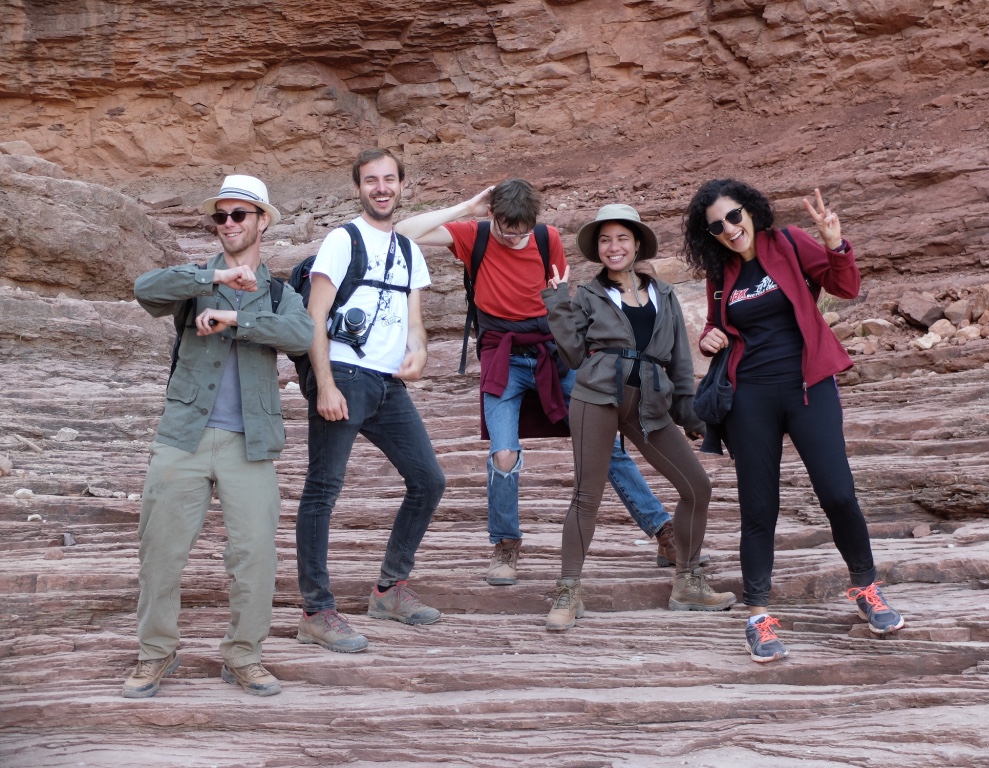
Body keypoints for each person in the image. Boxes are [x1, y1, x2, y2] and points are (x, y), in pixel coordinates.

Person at [395, 181, 682, 586]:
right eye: (505, 231)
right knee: (503, 454)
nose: (513, 240)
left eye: (521, 232)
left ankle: (664, 532)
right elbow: (403, 231)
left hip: (553, 355)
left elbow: (560, 304)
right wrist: (467, 207)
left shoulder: (548, 239)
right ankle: (505, 544)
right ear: (492, 216)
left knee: (603, 442)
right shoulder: (475, 235)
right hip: (503, 357)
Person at [682, 178, 905, 663]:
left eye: (734, 216)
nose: (729, 229)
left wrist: (835, 244)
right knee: (759, 509)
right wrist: (708, 339)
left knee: (838, 493)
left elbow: (846, 287)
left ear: (750, 211)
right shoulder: (721, 272)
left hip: (808, 387)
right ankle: (758, 618)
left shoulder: (787, 242)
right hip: (750, 398)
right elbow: (715, 326)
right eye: (717, 226)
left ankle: (866, 588)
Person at [126, 175, 314, 698]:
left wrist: (236, 319)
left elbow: (301, 336)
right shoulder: (195, 280)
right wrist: (212, 279)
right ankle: (156, 653)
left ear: (262, 221)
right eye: (221, 216)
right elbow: (145, 290)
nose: (228, 223)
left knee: (254, 557)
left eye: (239, 214)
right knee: (160, 553)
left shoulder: (279, 292)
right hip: (182, 436)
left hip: (250, 443)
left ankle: (243, 656)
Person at [540, 204, 736, 631]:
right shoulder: (588, 294)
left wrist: (691, 416)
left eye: (622, 238)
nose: (613, 247)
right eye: (605, 240)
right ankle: (568, 591)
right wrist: (556, 302)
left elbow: (679, 361)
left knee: (697, 487)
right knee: (586, 496)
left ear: (637, 244)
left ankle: (687, 582)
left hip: (650, 403)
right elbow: (572, 355)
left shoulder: (663, 294)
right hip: (596, 397)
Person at [295, 148, 446, 655]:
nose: (381, 188)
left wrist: (420, 352)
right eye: (370, 180)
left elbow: (415, 322)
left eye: (389, 179)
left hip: (388, 385)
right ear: (358, 187)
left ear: (402, 185)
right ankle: (316, 612)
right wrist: (325, 385)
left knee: (429, 480)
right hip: (344, 375)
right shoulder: (343, 240)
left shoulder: (408, 250)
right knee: (323, 490)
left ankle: (389, 590)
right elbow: (314, 317)